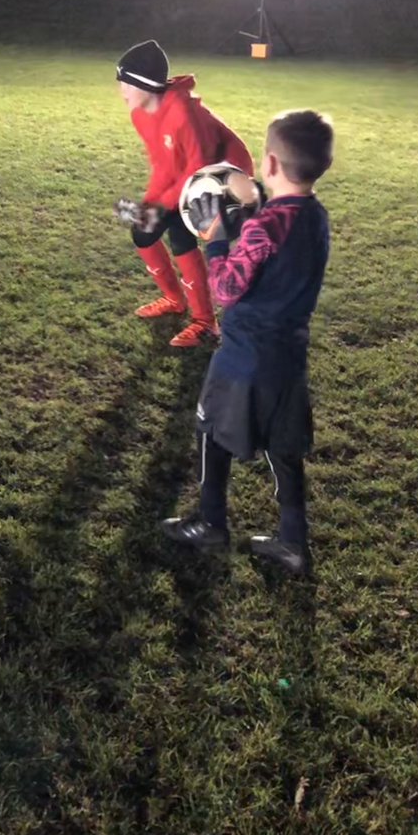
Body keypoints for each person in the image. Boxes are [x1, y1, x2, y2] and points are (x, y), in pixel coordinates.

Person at [161, 109, 334, 576]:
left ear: (272, 164)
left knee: (210, 430)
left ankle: (211, 523)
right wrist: (252, 211)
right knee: (284, 448)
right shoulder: (315, 216)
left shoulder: (264, 227)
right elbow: (276, 252)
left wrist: (216, 240)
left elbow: (227, 288)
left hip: (243, 357)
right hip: (288, 358)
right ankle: (294, 543)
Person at [116, 39, 254, 348]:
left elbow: (196, 173)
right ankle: (175, 300)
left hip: (223, 176)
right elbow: (163, 165)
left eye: (125, 84)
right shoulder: (140, 114)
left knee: (178, 232)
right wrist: (151, 202)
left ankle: (206, 322)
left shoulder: (183, 115)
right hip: (193, 176)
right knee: (144, 232)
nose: (120, 91)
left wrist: (161, 206)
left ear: (145, 85)